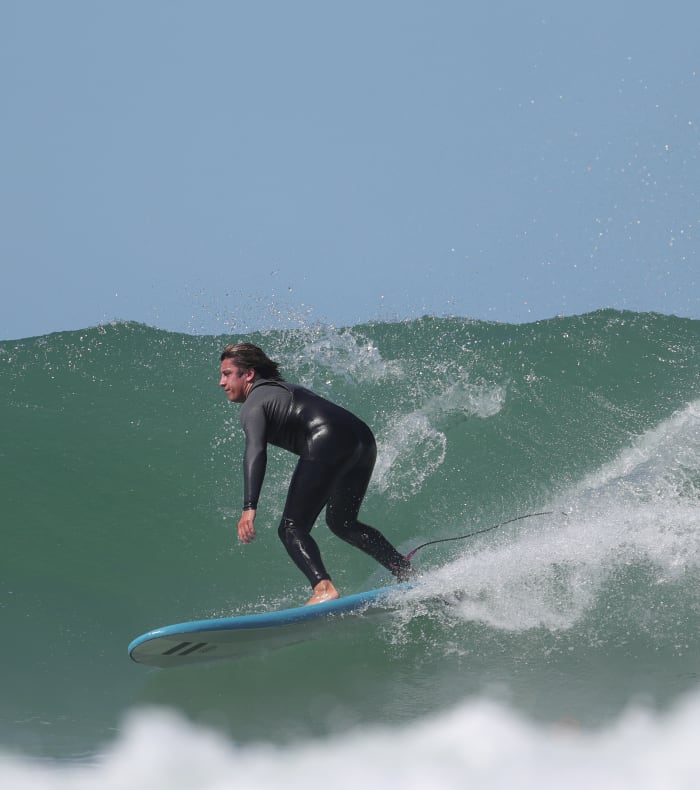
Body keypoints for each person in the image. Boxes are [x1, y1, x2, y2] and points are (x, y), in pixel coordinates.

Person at [219, 342, 413, 605]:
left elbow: (255, 450)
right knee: (342, 523)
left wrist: (249, 507)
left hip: (326, 438)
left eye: (227, 373)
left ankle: (323, 588)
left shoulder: (253, 405)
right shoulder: (283, 389)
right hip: (363, 439)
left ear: (249, 374)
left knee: (290, 528)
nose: (222, 382)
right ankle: (407, 573)